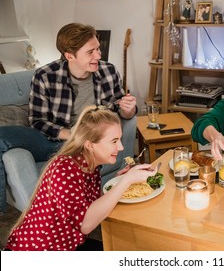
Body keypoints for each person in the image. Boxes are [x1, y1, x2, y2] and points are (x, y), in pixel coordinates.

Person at [0, 23, 137, 214]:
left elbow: (120, 111)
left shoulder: (108, 71)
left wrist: (128, 110)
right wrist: (70, 134)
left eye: (98, 48)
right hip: (56, 141)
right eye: (91, 52)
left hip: (91, 142)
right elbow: (37, 121)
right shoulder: (45, 76)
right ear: (69, 55)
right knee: (2, 138)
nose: (98, 55)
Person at [4, 105, 155, 251]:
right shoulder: (64, 170)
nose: (121, 148)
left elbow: (87, 207)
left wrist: (119, 183)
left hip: (66, 245)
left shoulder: (89, 165)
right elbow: (86, 223)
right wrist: (126, 181)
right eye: (114, 141)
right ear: (90, 145)